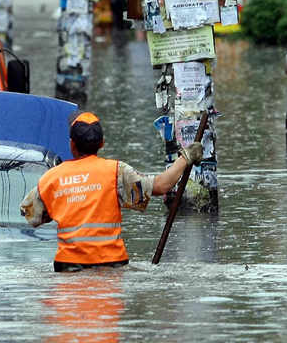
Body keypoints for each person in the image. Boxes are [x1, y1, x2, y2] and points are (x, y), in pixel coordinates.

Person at [20, 111, 203, 272]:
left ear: (71, 145)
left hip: (68, 267)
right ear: (102, 144)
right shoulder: (116, 172)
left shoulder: (51, 178)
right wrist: (185, 157)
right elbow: (162, 185)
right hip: (112, 266)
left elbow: (29, 215)